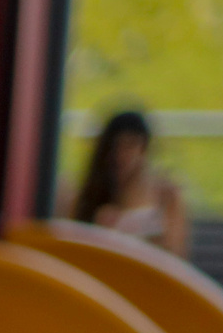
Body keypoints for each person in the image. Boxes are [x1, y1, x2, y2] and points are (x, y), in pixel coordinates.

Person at [74, 109, 189, 257]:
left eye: (131, 146)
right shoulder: (91, 196)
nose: (122, 156)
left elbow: (176, 252)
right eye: (116, 147)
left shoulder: (166, 194)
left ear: (144, 149)